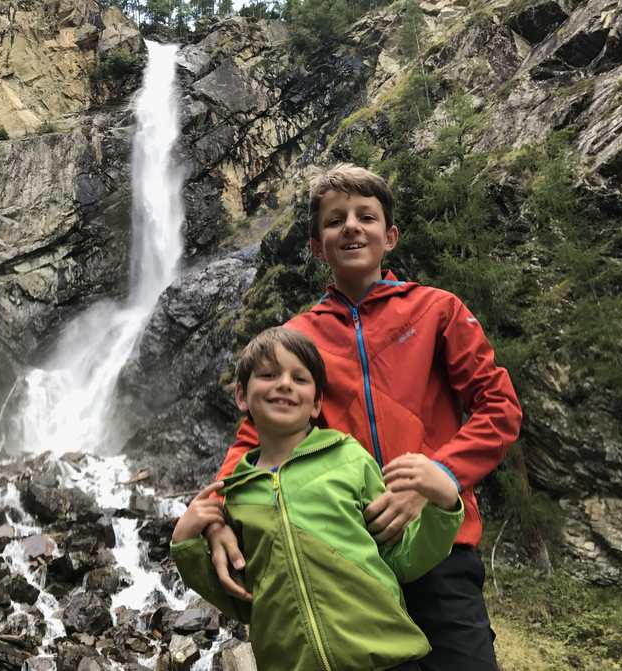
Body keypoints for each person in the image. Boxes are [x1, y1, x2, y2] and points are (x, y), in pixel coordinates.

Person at [206, 164, 523, 671]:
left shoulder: (436, 310)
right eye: (335, 221)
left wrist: (438, 476)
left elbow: (499, 406)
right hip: (350, 558)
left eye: (365, 216)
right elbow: (253, 438)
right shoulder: (297, 337)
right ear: (316, 245)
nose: (351, 226)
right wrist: (216, 511)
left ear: (390, 235)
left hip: (441, 546)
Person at [171, 327, 463, 671]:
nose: (284, 384)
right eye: (268, 374)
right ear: (241, 396)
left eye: (300, 378)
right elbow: (242, 599)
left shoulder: (350, 460)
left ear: (317, 403)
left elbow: (401, 557)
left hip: (385, 659)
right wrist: (185, 543)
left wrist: (445, 505)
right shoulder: (236, 493)